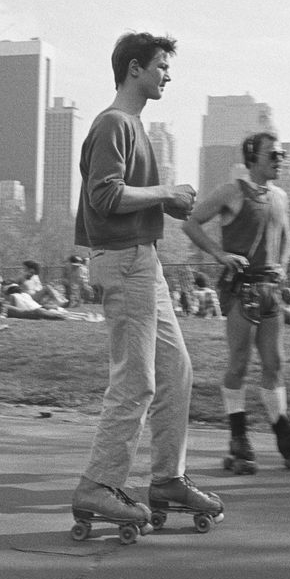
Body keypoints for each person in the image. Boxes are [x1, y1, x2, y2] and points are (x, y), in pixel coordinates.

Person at [71, 31, 223, 531]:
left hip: (144, 260)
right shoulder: (114, 123)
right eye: (160, 65)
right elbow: (104, 196)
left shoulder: (133, 126)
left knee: (176, 367)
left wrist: (169, 203)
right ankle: (98, 485)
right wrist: (165, 193)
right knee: (135, 380)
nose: (168, 74)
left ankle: (167, 479)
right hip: (124, 261)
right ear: (134, 68)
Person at [182, 132, 290, 474]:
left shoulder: (280, 196)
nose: (280, 160)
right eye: (273, 155)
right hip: (241, 289)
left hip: (270, 290)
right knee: (239, 363)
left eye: (281, 154)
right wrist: (219, 254)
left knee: (275, 363)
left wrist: (283, 267)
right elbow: (191, 223)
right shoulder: (233, 190)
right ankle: (238, 438)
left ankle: (283, 431)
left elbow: (286, 235)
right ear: (253, 158)